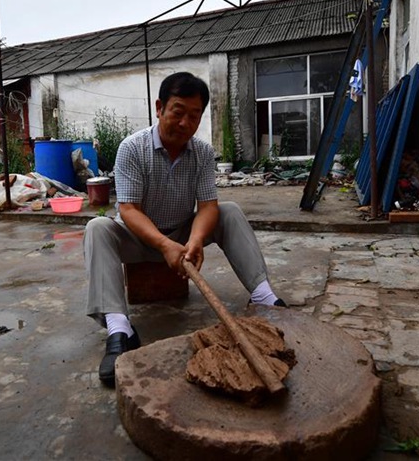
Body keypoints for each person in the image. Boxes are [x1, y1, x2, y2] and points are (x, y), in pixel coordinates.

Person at [83, 72, 286, 387]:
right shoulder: (132, 148)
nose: (185, 123)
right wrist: (164, 245)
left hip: (181, 234)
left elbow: (207, 206)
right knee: (97, 227)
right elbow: (129, 210)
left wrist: (195, 240)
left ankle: (264, 297)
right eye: (178, 112)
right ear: (159, 108)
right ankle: (119, 329)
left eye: (194, 116)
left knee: (229, 211)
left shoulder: (202, 152)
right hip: (137, 239)